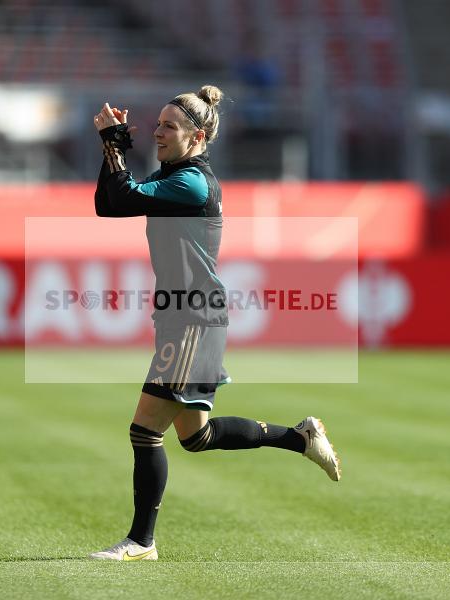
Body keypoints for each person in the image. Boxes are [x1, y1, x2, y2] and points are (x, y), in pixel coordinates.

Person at [89, 85, 341, 562]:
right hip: (184, 316)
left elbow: (119, 198)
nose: (158, 133)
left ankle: (142, 543)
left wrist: (113, 143)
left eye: (170, 126)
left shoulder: (193, 183)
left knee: (145, 431)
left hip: (192, 318)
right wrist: (114, 145)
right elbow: (108, 203)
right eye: (158, 123)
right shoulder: (177, 176)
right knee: (196, 437)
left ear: (198, 135)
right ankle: (300, 437)